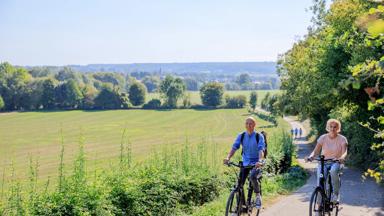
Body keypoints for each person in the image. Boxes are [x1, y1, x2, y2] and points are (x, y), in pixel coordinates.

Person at [223, 116, 265, 209]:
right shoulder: (241, 135)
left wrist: (260, 161)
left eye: (251, 123)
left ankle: (258, 196)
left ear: (254, 125)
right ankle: (241, 206)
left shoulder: (259, 136)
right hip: (245, 162)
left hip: (256, 163)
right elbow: (234, 147)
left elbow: (261, 150)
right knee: (239, 185)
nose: (248, 125)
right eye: (247, 123)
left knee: (253, 177)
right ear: (245, 125)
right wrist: (228, 157)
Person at [306, 119, 348, 203]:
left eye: (335, 127)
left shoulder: (342, 139)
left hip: (336, 162)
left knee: (333, 171)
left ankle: (336, 195)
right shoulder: (323, 137)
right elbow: (315, 151)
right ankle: (319, 203)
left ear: (338, 128)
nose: (332, 129)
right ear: (328, 127)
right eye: (331, 127)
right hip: (323, 162)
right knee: (320, 179)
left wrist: (342, 158)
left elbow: (345, 152)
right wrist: (310, 157)